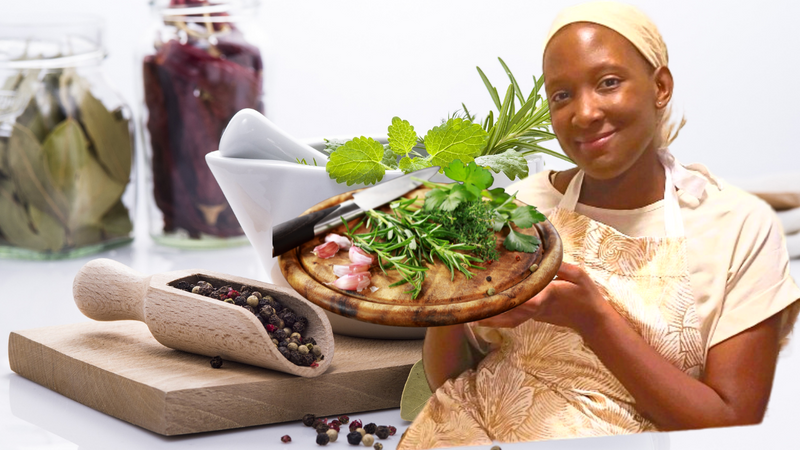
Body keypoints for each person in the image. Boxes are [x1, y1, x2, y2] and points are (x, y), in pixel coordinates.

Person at [396, 2, 800, 449]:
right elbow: (451, 378)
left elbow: (730, 426)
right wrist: (450, 294)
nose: (584, 113)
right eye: (561, 95)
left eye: (608, 82)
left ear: (660, 86)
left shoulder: (738, 227)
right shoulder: (525, 205)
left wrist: (593, 320)